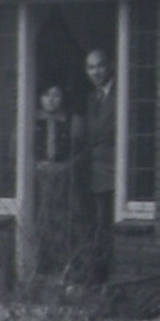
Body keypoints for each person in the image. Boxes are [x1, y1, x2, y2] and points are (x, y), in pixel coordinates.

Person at [76, 47, 117, 282]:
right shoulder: (91, 98)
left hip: (111, 172)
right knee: (93, 224)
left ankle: (102, 275)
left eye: (100, 66)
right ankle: (94, 273)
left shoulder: (120, 95)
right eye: (91, 68)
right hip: (92, 173)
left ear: (110, 66)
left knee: (105, 224)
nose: (96, 72)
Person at [31, 83, 79, 280]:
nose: (51, 100)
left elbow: (78, 150)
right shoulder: (32, 120)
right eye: (46, 95)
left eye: (56, 95)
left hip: (62, 176)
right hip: (38, 178)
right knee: (41, 218)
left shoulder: (69, 121)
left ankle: (62, 266)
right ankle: (41, 265)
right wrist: (35, 164)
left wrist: (66, 166)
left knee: (61, 219)